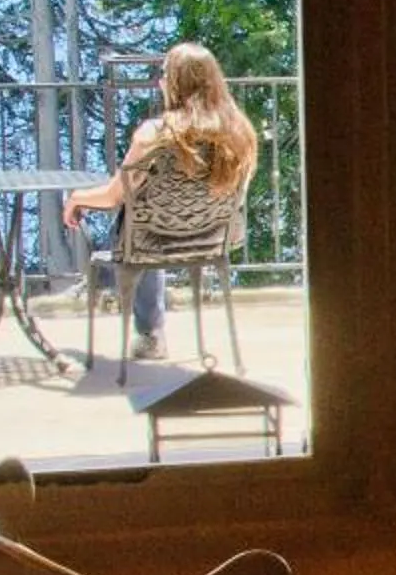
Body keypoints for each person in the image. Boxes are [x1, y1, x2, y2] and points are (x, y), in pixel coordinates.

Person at [63, 42, 258, 360]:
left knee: (139, 222)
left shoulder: (155, 134)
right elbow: (239, 192)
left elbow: (113, 195)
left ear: (177, 83)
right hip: (212, 238)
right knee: (145, 220)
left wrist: (77, 198)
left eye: (165, 74)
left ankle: (149, 332)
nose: (160, 81)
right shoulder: (239, 132)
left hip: (155, 242)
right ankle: (130, 308)